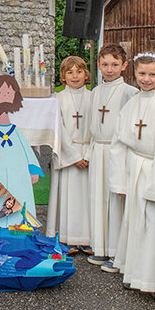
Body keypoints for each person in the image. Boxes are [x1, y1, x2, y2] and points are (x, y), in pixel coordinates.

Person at [108, 52, 155, 298]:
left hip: (154, 167)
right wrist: (119, 177)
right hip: (134, 165)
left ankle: (154, 280)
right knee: (134, 220)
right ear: (135, 74)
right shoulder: (132, 102)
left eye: (152, 74)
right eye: (142, 74)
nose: (146, 79)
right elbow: (119, 140)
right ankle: (133, 272)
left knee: (154, 222)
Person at [86, 44, 138, 272]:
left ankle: (117, 253)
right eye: (105, 64)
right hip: (98, 149)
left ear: (124, 66)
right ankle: (100, 247)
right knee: (98, 198)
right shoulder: (95, 92)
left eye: (115, 64)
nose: (109, 69)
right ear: (98, 65)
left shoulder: (130, 93)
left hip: (117, 151)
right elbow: (91, 124)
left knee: (115, 201)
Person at [0, 74, 43, 225]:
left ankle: (21, 227)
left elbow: (27, 152)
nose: (4, 97)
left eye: (8, 93)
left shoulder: (17, 133)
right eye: (0, 93)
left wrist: (32, 169)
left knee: (19, 196)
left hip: (17, 173)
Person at [46, 56, 93, 254]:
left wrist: (89, 154)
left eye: (79, 71)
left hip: (89, 151)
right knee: (68, 198)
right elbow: (59, 129)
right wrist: (74, 156)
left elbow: (98, 129)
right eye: (70, 72)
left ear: (86, 74)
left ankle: (88, 238)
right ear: (63, 77)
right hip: (68, 153)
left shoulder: (94, 97)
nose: (75, 76)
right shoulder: (57, 99)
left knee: (88, 198)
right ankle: (67, 238)